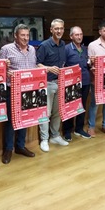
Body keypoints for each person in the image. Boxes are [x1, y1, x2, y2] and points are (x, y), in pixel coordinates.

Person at [0, 24, 36, 164]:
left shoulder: (32, 50)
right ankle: (8, 149)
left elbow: (33, 67)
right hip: (11, 89)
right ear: (15, 36)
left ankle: (20, 146)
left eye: (27, 35)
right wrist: (5, 71)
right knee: (10, 121)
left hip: (27, 89)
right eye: (22, 35)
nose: (26, 38)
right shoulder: (6, 49)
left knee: (24, 118)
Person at [36, 18, 69, 152]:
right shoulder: (44, 45)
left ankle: (55, 135)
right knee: (45, 113)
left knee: (57, 112)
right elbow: (37, 64)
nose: (59, 31)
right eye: (56, 29)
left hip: (60, 82)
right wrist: (49, 68)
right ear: (51, 30)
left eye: (61, 28)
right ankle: (44, 139)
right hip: (47, 83)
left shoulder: (63, 44)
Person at [62, 26, 92, 141]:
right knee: (70, 106)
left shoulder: (85, 49)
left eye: (81, 34)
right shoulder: (66, 49)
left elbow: (87, 65)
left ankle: (79, 129)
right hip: (71, 84)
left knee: (82, 106)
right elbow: (63, 65)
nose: (79, 37)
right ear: (71, 36)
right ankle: (67, 131)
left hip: (85, 82)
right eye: (76, 35)